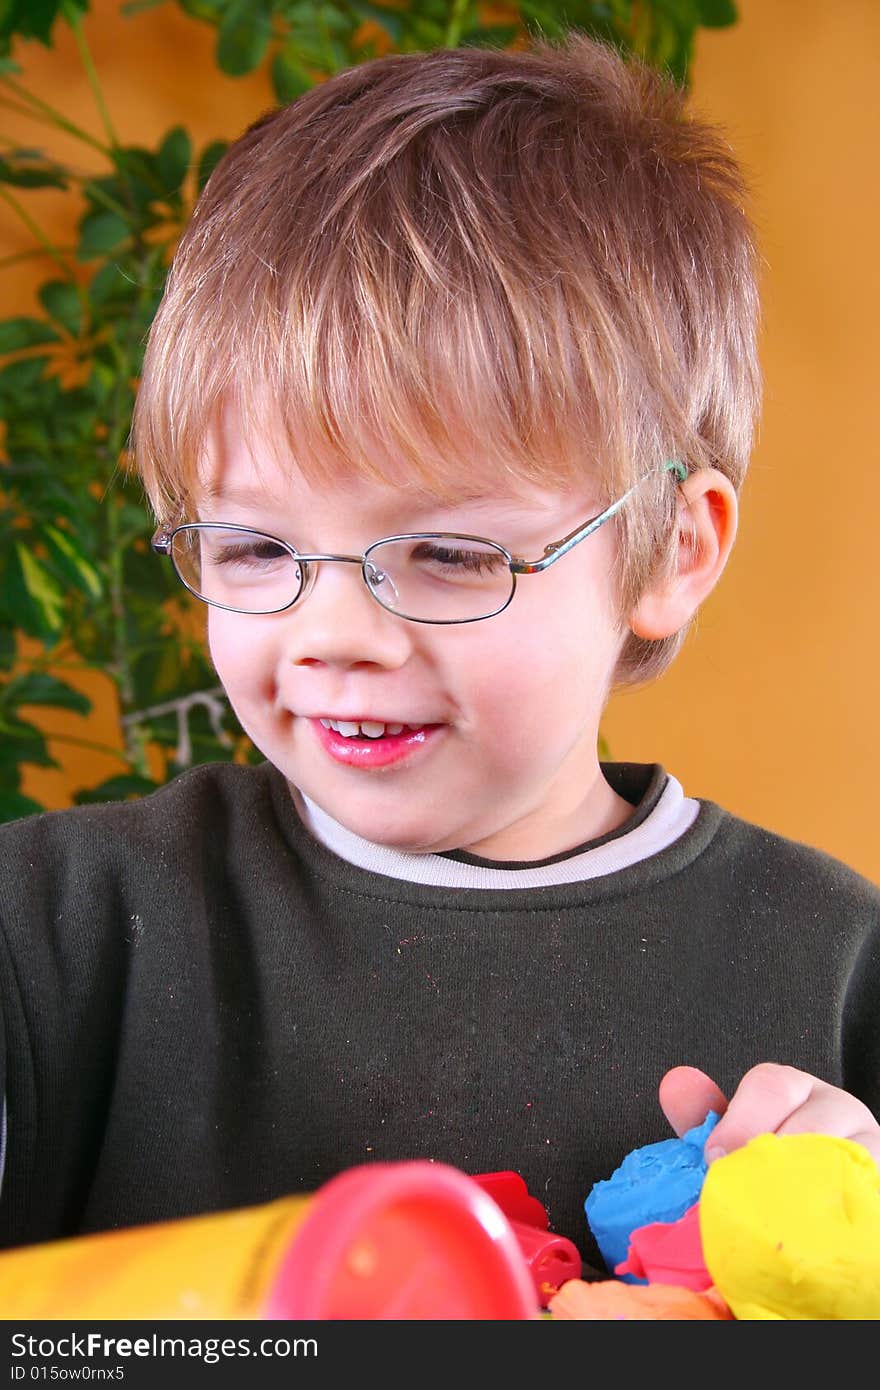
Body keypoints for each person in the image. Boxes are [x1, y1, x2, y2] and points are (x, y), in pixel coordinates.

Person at [0, 34, 877, 1277]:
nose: (333, 636)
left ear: (672, 551)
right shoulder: (51, 931)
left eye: (451, 555)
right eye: (253, 546)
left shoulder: (833, 963)